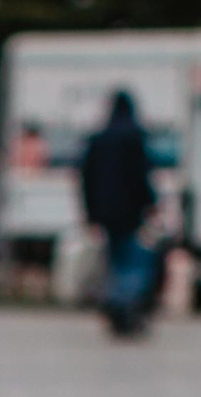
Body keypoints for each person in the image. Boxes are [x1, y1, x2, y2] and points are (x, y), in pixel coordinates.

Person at [79, 90, 155, 336]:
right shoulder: (134, 137)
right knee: (133, 260)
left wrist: (90, 212)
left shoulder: (99, 139)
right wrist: (149, 203)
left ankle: (114, 299)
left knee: (114, 258)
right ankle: (125, 303)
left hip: (105, 211)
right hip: (130, 211)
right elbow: (140, 176)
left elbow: (86, 178)